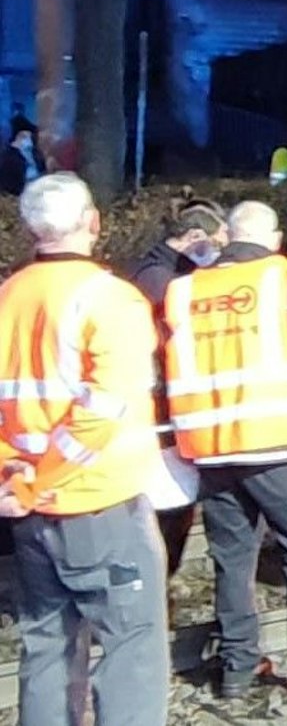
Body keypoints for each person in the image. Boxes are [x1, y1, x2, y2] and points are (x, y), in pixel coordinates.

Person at [162, 201, 287, 701]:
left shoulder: (183, 290)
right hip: (281, 446)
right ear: (273, 237)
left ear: (229, 236)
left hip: (211, 451)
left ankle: (236, 669)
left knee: (232, 560)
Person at [0, 174, 171, 726]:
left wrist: (12, 479)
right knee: (133, 646)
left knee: (47, 644)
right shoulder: (111, 300)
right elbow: (103, 411)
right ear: (93, 222)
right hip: (97, 501)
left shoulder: (7, 296)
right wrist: (38, 481)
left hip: (26, 506)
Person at [125, 197, 229, 576]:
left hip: (163, 404)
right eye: (216, 243)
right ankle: (157, 580)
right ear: (195, 237)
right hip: (161, 409)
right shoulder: (159, 280)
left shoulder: (155, 270)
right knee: (169, 502)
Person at [0, 115, 46, 195]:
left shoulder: (35, 153)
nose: (30, 141)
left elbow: (42, 170)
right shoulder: (8, 158)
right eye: (26, 137)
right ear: (19, 136)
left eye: (30, 137)